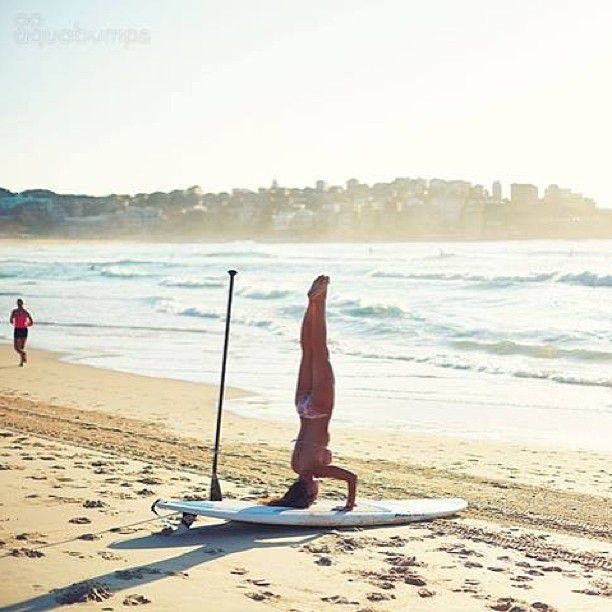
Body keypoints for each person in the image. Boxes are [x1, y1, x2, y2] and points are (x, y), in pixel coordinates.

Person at [268, 275, 357, 510]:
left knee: (320, 350)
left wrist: (349, 505)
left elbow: (352, 477)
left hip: (318, 409)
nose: (318, 493)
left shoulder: (314, 471)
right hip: (302, 407)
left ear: (308, 491)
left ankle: (321, 300)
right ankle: (313, 303)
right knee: (307, 350)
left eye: (314, 495)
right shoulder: (296, 466)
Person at [10, 298, 33, 367]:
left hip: (18, 329)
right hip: (24, 329)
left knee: (17, 347)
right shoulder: (25, 312)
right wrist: (26, 324)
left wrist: (16, 322)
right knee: (21, 347)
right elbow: (31, 322)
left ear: (17, 304)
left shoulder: (15, 311)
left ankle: (22, 360)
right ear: (22, 303)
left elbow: (11, 320)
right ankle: (22, 359)